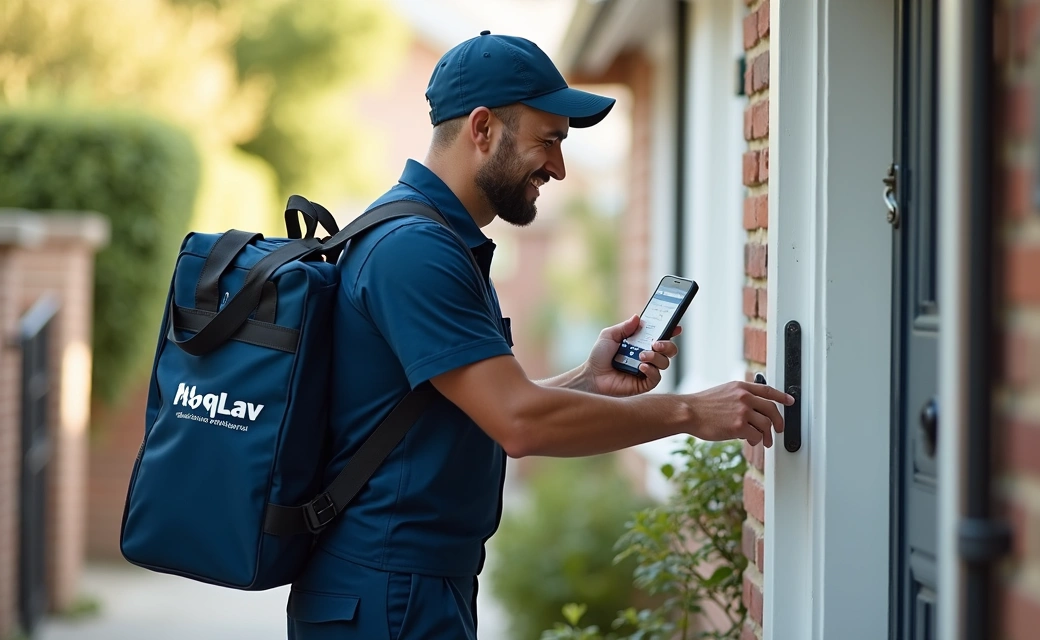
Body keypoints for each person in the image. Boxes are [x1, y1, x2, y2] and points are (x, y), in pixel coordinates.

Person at [286, 31, 793, 640]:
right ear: (482, 129)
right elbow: (519, 424)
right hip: (388, 593)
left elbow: (461, 412)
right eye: (547, 141)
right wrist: (688, 410)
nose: (557, 167)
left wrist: (588, 380)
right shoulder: (416, 252)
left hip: (403, 588)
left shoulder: (434, 242)